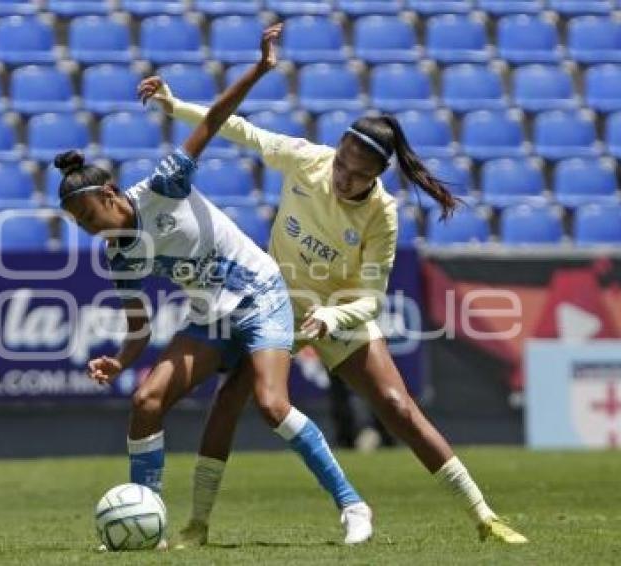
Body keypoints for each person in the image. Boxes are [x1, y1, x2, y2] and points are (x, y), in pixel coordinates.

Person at [139, 77, 529, 546]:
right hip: (274, 305)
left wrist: (330, 318)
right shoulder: (309, 160)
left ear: (378, 175)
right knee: (229, 400)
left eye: (356, 174)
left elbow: (371, 299)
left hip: (337, 312)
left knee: (397, 406)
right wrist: (174, 104)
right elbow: (239, 129)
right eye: (341, 164)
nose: (342, 177)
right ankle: (197, 525)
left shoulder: (382, 214)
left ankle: (484, 517)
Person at [59, 24, 373, 547]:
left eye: (89, 215)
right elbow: (137, 330)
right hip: (212, 316)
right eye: (79, 224)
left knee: (273, 405)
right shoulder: (119, 257)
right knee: (146, 400)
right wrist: (119, 360)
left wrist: (261, 67)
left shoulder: (164, 185)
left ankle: (353, 505)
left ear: (111, 195)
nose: (89, 228)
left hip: (261, 295)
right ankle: (151, 522)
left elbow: (215, 118)